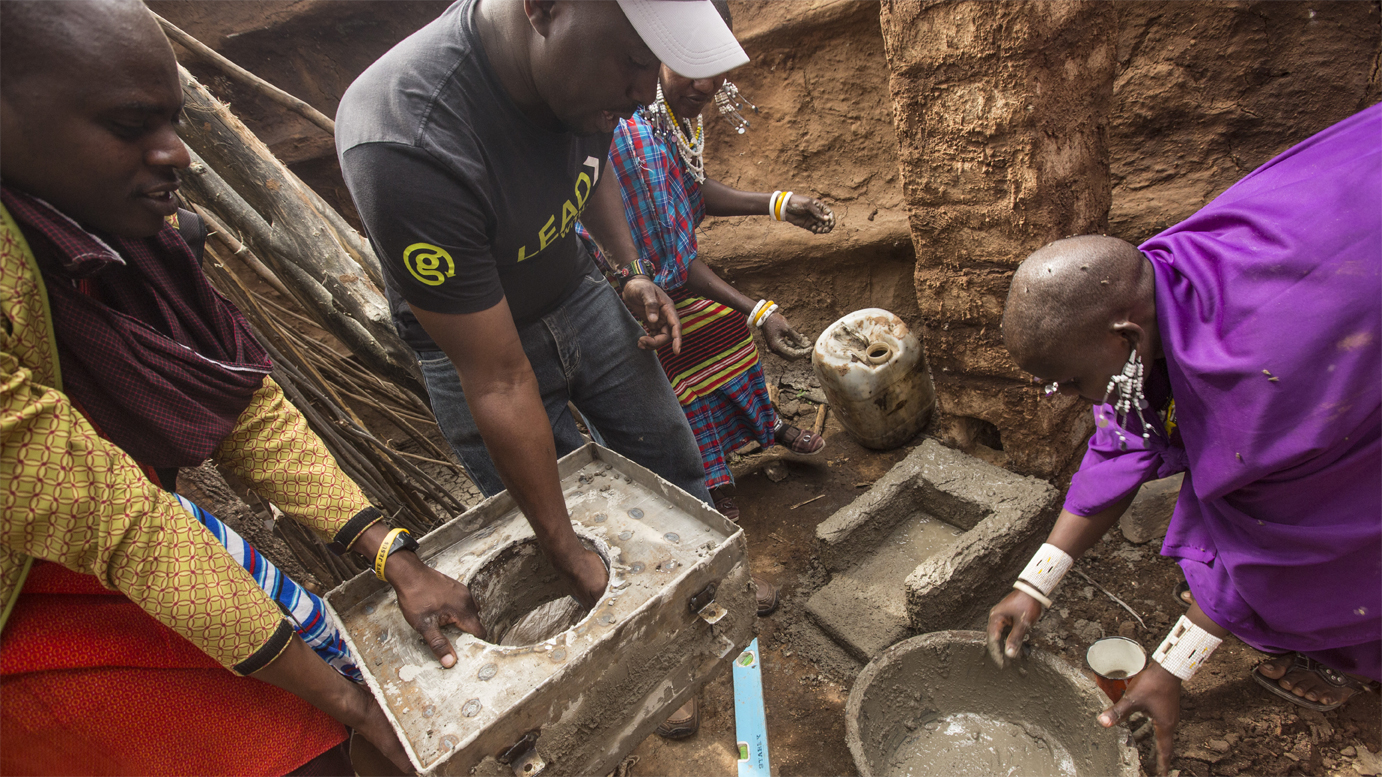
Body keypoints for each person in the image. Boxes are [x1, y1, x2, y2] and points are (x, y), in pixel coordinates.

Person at [0, 2, 486, 773]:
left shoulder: (130, 239)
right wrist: (361, 710)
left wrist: (396, 557)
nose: (179, 156)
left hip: (125, 532)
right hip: (28, 597)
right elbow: (120, 522)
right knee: (297, 743)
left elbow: (244, 410)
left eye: (173, 122)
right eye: (131, 126)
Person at [986, 105, 1380, 775]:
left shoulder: (1266, 384)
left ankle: (1352, 652)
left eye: (1073, 382)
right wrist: (1037, 581)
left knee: (1340, 550)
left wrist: (1173, 666)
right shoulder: (1159, 279)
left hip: (1350, 305)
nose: (1078, 401)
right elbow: (1130, 426)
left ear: (1126, 340)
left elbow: (1273, 544)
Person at [335, 2, 746, 620]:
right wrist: (570, 559)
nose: (642, 95)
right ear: (543, 8)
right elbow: (499, 378)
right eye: (636, 64)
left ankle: (700, 606)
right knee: (568, 521)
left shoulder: (590, 82)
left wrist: (628, 273)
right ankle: (644, 640)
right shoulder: (406, 142)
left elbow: (591, 156)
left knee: (669, 462)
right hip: (483, 357)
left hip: (578, 293)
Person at [576, 3, 836, 527]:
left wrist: (780, 203)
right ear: (658, 56)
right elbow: (671, 265)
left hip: (670, 272)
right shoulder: (632, 138)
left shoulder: (670, 118)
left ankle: (767, 428)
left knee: (726, 335)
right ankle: (711, 484)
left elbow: (689, 192)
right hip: (628, 291)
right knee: (676, 368)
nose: (705, 84)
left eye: (716, 71)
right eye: (690, 68)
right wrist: (757, 308)